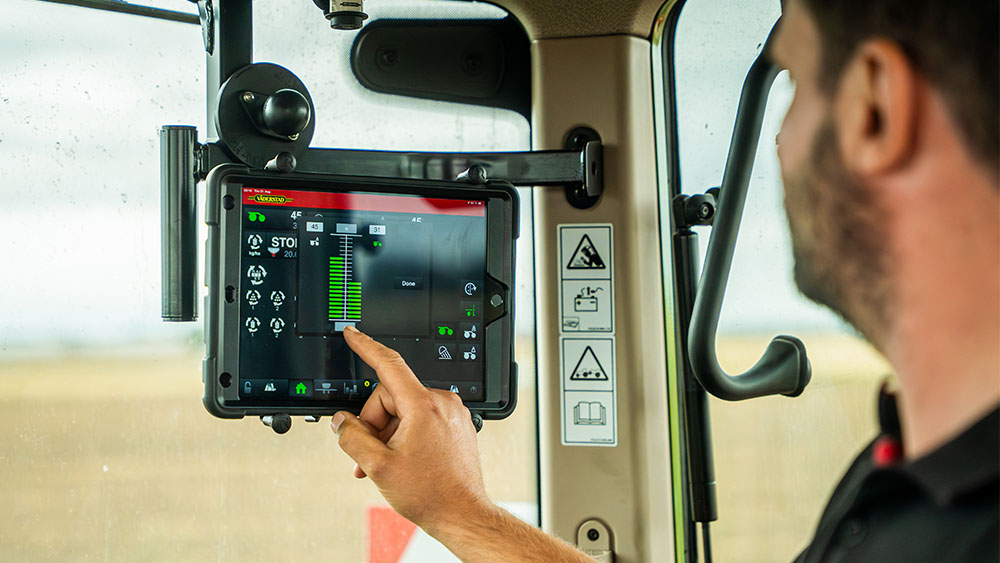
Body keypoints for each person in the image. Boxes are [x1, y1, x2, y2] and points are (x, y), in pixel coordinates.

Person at [329, 0, 999, 559]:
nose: (779, 142)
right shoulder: (911, 469)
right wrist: (456, 508)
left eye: (795, 84)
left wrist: (458, 511)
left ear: (876, 107)